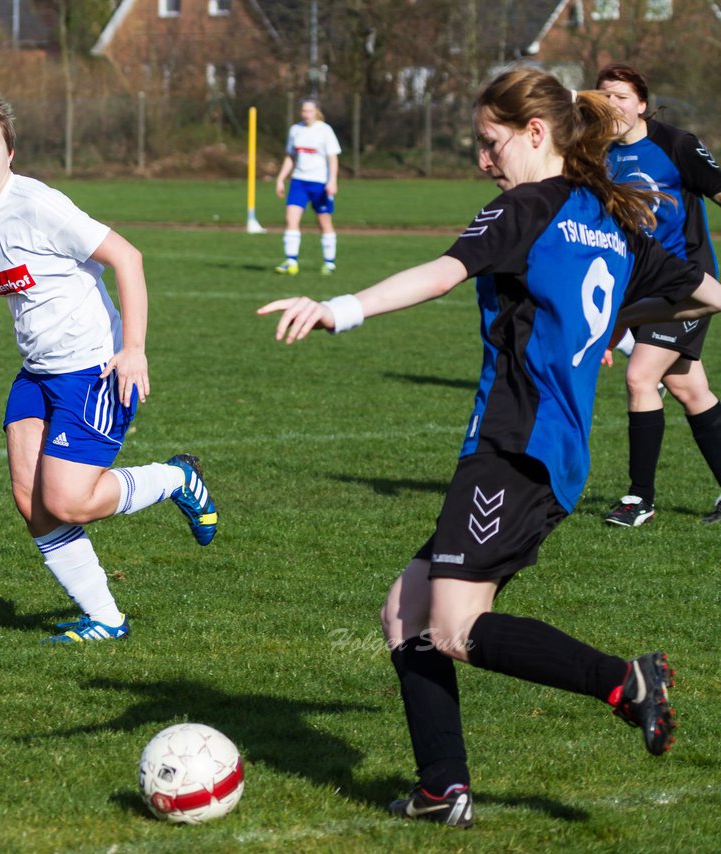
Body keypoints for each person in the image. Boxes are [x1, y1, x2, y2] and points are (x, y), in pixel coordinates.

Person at [258, 68, 721, 828]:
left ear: (535, 133)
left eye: (489, 142)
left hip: (515, 445)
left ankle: (626, 681)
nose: (482, 159)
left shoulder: (528, 206)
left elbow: (442, 273)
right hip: (554, 452)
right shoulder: (612, 217)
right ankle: (444, 788)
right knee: (405, 613)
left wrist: (341, 306)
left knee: (453, 627)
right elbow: (699, 286)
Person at [0, 89, 218, 644]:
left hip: (93, 368)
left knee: (68, 500)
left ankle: (176, 478)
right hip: (37, 374)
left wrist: (135, 349)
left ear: (10, 152)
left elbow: (128, 257)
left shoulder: (39, 205)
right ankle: (106, 619)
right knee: (32, 502)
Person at [595, 63, 721, 527]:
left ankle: (639, 499)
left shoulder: (676, 144)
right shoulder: (601, 155)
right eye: (603, 96)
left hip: (690, 282)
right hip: (646, 286)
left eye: (621, 97)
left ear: (642, 104)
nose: (612, 105)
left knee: (640, 377)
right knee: (690, 388)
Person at [274, 99, 341, 275]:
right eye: (304, 111)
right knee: (291, 219)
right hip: (298, 181)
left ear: (316, 111)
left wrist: (332, 180)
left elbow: (332, 158)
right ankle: (291, 261)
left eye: (310, 111)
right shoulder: (295, 130)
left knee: (323, 221)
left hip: (319, 182)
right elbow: (290, 157)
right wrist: (281, 178)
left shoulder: (325, 130)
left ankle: (329, 262)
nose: (306, 114)